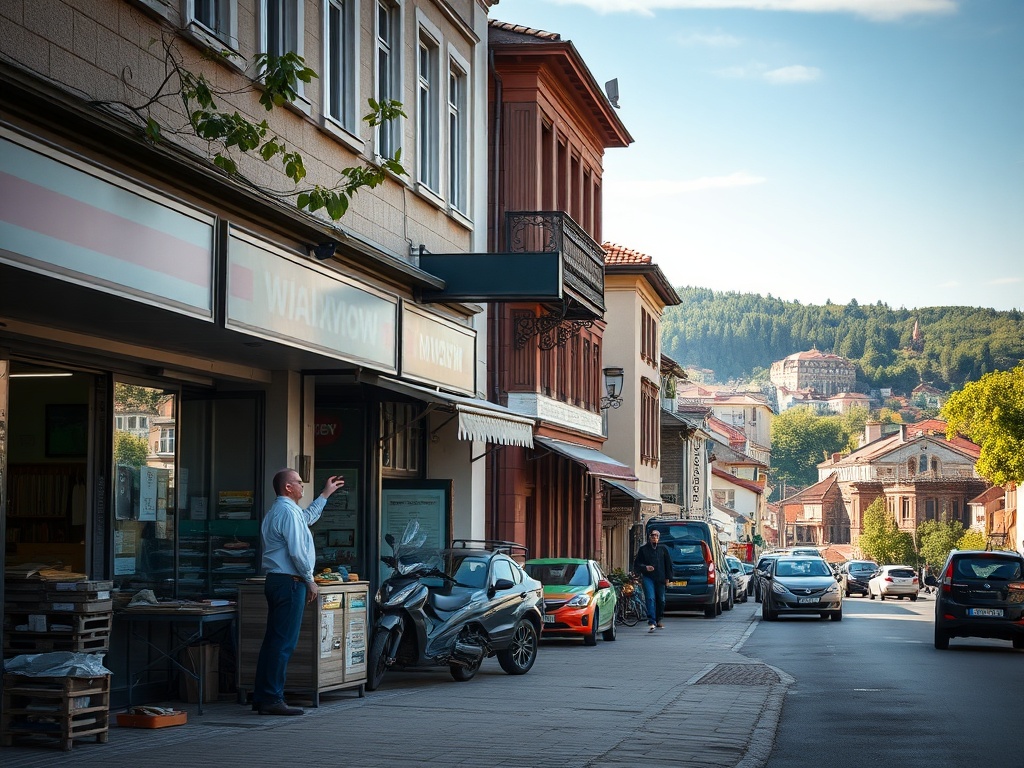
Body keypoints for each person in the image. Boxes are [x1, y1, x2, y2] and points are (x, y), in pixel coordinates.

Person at [252, 468, 345, 715]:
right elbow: (297, 551)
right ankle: (272, 699)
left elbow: (307, 518)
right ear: (288, 488)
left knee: (273, 641)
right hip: (290, 582)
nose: (303, 486)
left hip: (277, 581)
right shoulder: (287, 512)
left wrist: (325, 494)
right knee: (283, 643)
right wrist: (309, 579)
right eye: (299, 482)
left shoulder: (280, 512)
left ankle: (262, 697)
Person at [633, 529, 673, 632]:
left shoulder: (663, 549)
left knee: (661, 600)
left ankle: (659, 618)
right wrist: (645, 567)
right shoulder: (643, 549)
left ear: (659, 538)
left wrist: (668, 578)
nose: (654, 537)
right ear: (649, 537)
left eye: (656, 536)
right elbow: (637, 564)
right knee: (650, 598)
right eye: (652, 535)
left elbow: (668, 564)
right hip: (648, 577)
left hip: (661, 577)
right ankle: (651, 621)